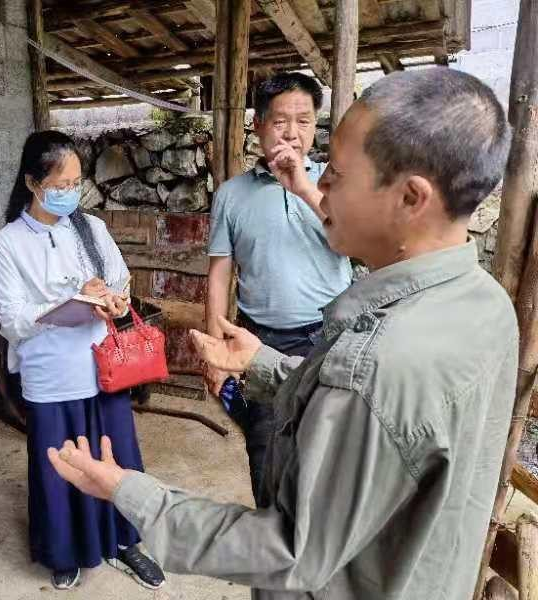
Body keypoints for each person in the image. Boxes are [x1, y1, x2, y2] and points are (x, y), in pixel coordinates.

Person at [46, 68, 517, 600]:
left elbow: (292, 552)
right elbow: (389, 420)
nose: (321, 184)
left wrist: (130, 492)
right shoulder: (487, 303)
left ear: (410, 198)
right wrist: (265, 364)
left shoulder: (379, 364)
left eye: (336, 172)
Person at [0, 130, 165, 591]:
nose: (70, 192)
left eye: (75, 183)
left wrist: (115, 299)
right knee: (60, 465)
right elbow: (11, 319)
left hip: (103, 368)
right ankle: (63, 552)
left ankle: (124, 541)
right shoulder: (8, 243)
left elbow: (120, 279)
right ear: (32, 182)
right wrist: (69, 301)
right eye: (60, 184)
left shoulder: (91, 228)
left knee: (116, 457)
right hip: (51, 376)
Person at [206, 73, 352, 501]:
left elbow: (352, 240)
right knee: (267, 454)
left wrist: (303, 186)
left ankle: (318, 541)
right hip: (260, 342)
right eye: (280, 121)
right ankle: (273, 540)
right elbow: (219, 274)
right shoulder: (232, 194)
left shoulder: (334, 183)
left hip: (332, 338)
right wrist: (216, 353)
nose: (292, 132)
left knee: (333, 456)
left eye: (303, 121)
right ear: (258, 125)